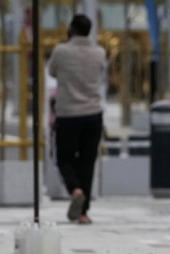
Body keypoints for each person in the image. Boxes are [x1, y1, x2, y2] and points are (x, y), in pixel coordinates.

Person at [48, 14, 107, 224]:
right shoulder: (99, 52)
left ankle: (75, 190)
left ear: (71, 29)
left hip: (68, 114)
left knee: (64, 158)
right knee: (87, 163)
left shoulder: (61, 51)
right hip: (93, 115)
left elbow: (52, 72)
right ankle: (83, 213)